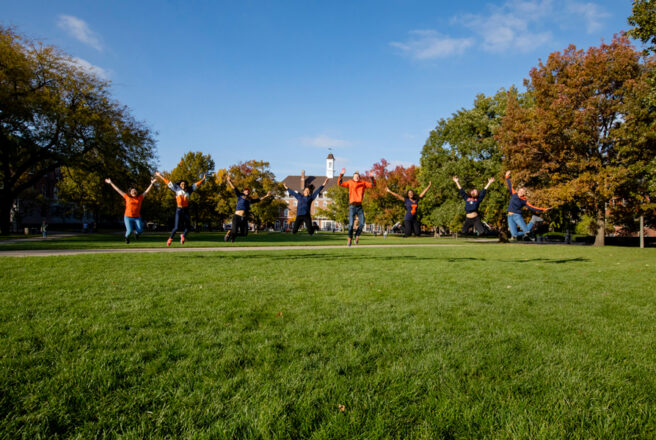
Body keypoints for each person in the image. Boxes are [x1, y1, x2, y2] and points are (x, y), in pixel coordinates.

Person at [155, 171, 206, 246]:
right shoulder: (176, 188)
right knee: (176, 227)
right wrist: (160, 176)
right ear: (179, 185)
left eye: (185, 184)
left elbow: (196, 184)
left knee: (188, 228)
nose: (183, 185)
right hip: (179, 210)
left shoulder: (189, 190)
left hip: (186, 210)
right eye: (182, 184)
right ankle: (170, 239)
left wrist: (203, 179)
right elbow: (168, 182)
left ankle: (183, 236)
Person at [105, 176, 157, 243]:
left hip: (137, 217)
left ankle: (136, 234)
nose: (134, 191)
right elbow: (118, 190)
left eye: (135, 191)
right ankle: (126, 237)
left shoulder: (140, 198)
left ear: (137, 192)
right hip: (128, 217)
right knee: (129, 231)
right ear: (130, 192)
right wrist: (111, 183)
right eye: (132, 191)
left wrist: (152, 183)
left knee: (140, 231)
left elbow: (146, 191)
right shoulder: (127, 197)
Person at [224, 176, 272, 242]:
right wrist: (229, 181)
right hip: (237, 216)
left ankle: (233, 236)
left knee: (244, 233)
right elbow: (234, 188)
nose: (247, 192)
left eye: (248, 191)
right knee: (234, 230)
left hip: (244, 218)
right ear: (243, 191)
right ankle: (229, 232)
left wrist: (266, 196)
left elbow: (258, 199)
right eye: (246, 191)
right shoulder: (240, 195)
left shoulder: (249, 199)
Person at [505, 170, 549, 240]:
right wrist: (507, 176)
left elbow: (532, 207)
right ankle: (530, 230)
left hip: (517, 216)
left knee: (527, 231)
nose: (520, 192)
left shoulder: (524, 200)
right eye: (520, 190)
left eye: (522, 191)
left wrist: (543, 209)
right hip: (509, 216)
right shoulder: (514, 194)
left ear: (524, 193)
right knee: (514, 235)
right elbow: (510, 185)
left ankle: (533, 220)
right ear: (518, 190)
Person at [338, 168, 375, 246]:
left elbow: (373, 185)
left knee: (362, 223)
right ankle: (349, 238)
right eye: (355, 176)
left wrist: (372, 177)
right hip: (352, 206)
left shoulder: (363, 183)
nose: (356, 177)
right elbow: (340, 183)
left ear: (359, 177)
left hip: (359, 207)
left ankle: (357, 235)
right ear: (353, 177)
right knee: (351, 224)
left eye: (357, 176)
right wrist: (341, 175)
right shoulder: (350, 182)